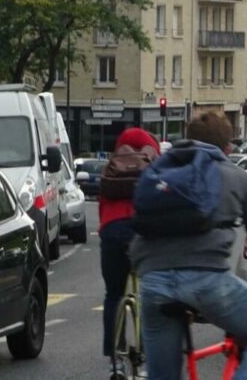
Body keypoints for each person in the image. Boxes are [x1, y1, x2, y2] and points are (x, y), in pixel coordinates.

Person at [130, 112, 247, 380]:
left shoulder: (160, 172)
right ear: (228, 148)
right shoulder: (238, 178)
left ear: (187, 140)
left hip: (154, 282)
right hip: (208, 282)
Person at [98, 128, 160, 376]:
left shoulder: (110, 170)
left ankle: (115, 361)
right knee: (149, 293)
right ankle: (144, 357)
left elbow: (102, 210)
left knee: (113, 295)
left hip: (112, 232)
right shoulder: (154, 169)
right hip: (142, 233)